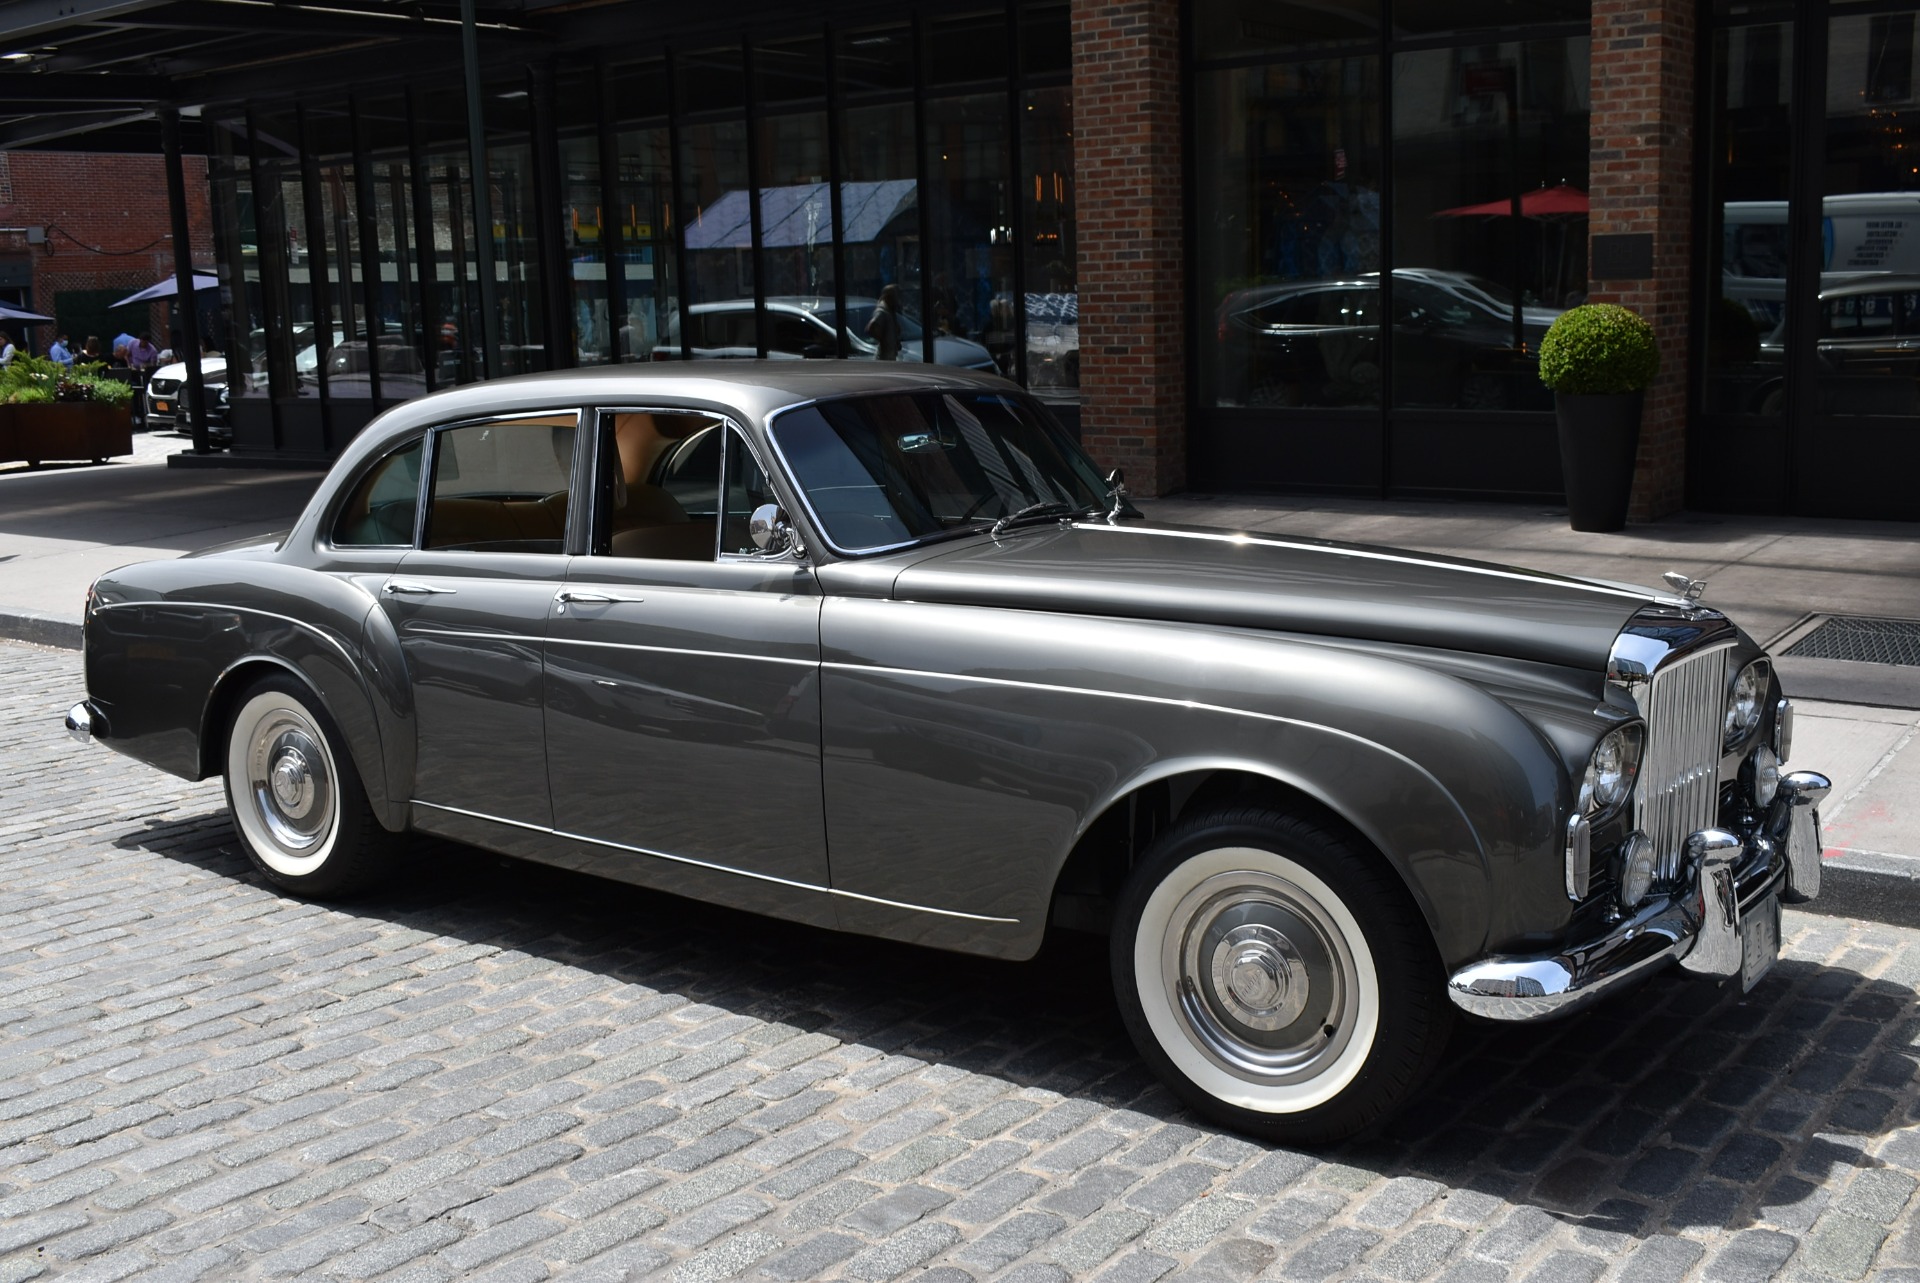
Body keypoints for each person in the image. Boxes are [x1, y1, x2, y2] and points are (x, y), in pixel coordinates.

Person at [866, 284, 902, 361]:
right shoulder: (882, 312)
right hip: (883, 358)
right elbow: (871, 328)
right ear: (888, 297)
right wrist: (884, 341)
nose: (897, 300)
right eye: (895, 297)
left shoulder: (890, 312)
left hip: (890, 356)